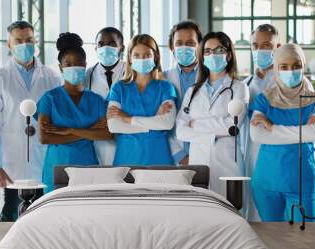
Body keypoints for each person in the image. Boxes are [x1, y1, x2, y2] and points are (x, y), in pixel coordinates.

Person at [0, 21, 61, 222]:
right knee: (11, 213)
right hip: (12, 161)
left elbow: (60, 116)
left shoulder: (51, 76)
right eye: (18, 40)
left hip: (44, 156)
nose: (24, 45)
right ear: (9, 45)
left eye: (29, 40)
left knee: (45, 213)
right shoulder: (0, 78)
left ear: (35, 42)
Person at [249, 43, 315, 222]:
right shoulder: (264, 99)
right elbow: (258, 135)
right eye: (283, 66)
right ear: (275, 69)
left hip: (301, 182)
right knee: (272, 241)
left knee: (304, 240)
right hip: (266, 182)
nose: (290, 71)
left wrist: (272, 128)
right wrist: (302, 131)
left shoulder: (314, 100)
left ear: (304, 67)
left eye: (296, 66)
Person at [36, 33, 112, 193]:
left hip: (87, 167)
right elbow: (45, 137)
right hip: (57, 166)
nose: (74, 67)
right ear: (60, 67)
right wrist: (89, 131)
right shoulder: (49, 99)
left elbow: (107, 134)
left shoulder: (96, 100)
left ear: (85, 65)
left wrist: (68, 131)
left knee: (86, 212)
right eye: (68, 64)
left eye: (78, 63)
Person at [176, 32, 249, 198]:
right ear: (202, 56)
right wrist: (212, 135)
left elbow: (233, 125)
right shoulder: (192, 91)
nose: (212, 55)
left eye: (218, 50)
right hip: (198, 162)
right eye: (207, 51)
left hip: (228, 162)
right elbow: (180, 131)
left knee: (231, 211)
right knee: (201, 213)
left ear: (229, 55)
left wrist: (195, 125)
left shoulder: (239, 88)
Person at [106, 34, 177, 166]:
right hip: (126, 159)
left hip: (157, 158)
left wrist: (128, 119)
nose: (142, 59)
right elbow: (114, 126)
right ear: (130, 58)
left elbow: (167, 123)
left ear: (155, 56)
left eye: (147, 55)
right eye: (137, 55)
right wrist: (153, 123)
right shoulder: (119, 88)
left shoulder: (166, 87)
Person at [242, 24, 280, 221]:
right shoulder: (245, 85)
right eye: (255, 46)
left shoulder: (288, 82)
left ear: (277, 47)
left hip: (280, 157)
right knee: (254, 216)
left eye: (266, 45)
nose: (259, 50)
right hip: (252, 157)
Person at [164, 20, 203, 165]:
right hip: (174, 153)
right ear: (171, 47)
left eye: (190, 43)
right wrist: (179, 155)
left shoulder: (210, 78)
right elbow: (162, 123)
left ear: (199, 46)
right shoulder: (163, 79)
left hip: (204, 149)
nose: (184, 47)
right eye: (179, 43)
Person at [85, 27, 126, 165]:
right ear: (95, 48)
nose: (106, 48)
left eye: (112, 44)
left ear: (122, 48)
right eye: (101, 44)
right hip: (98, 145)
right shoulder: (87, 75)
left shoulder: (132, 73)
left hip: (126, 141)